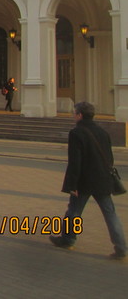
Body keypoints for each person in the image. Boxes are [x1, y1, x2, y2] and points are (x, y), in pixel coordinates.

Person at [49, 101, 127, 259]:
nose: (73, 115)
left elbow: (75, 162)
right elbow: (109, 158)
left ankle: (68, 239)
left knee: (74, 212)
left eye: (74, 113)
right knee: (110, 214)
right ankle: (122, 247)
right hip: (103, 180)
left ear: (80, 115)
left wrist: (72, 184)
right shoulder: (102, 132)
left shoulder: (77, 133)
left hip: (84, 182)